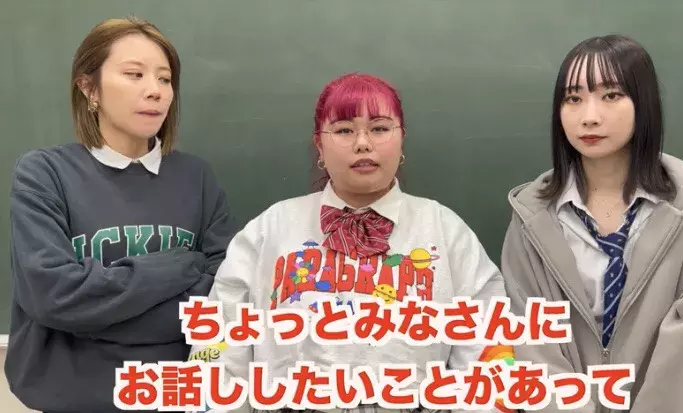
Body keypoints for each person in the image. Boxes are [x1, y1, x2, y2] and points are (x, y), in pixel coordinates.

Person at [187, 72, 511, 413]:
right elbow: (218, 352)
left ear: (401, 139)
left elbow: (489, 351)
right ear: (319, 145)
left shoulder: (446, 231)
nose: (363, 143)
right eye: (344, 130)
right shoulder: (270, 230)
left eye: (380, 128)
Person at [501, 34, 683, 412]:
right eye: (573, 98)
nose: (590, 116)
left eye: (611, 95)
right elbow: (534, 347)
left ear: (643, 103)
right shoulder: (531, 216)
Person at [4, 17, 237, 412]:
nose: (155, 90)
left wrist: (93, 318)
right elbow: (52, 295)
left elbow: (223, 296)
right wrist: (180, 265)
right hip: (72, 399)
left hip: (175, 394)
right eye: (134, 74)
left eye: (165, 79)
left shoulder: (197, 177)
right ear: (89, 88)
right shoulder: (44, 173)